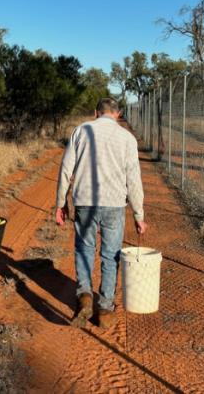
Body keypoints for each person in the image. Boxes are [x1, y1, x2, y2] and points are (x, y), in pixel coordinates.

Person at [55, 97, 148, 329]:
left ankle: (85, 295)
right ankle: (105, 308)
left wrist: (60, 203)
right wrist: (138, 214)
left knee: (84, 249)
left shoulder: (81, 131)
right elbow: (133, 179)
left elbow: (66, 168)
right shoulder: (127, 138)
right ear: (117, 114)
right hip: (114, 204)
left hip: (85, 201)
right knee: (110, 255)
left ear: (96, 113)